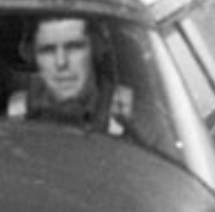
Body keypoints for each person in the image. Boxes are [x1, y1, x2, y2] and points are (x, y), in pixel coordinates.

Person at [7, 16, 136, 137]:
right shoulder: (16, 112)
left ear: (96, 48)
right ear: (32, 56)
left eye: (74, 47)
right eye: (47, 50)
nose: (61, 62)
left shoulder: (128, 112)